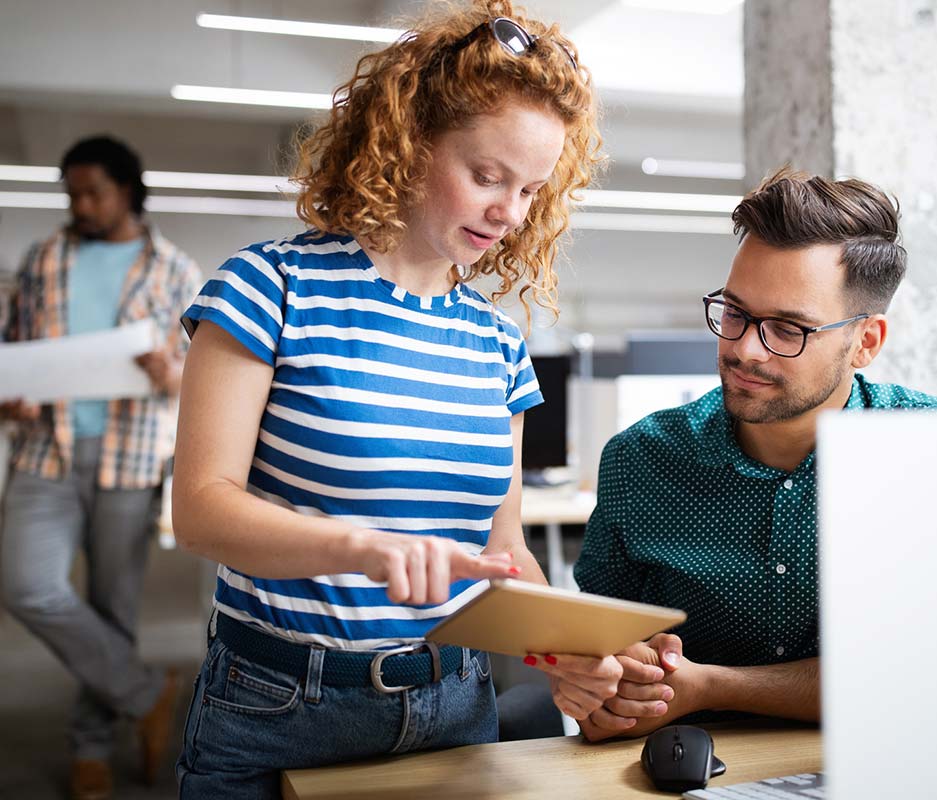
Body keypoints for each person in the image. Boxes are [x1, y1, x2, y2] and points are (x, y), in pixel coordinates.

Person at [170, 2, 620, 796]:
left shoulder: (497, 346)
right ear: (410, 144)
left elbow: (503, 555)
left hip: (455, 703)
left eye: (530, 190)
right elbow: (202, 510)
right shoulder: (270, 288)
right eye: (486, 176)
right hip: (283, 706)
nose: (508, 213)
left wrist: (566, 655)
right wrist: (364, 549)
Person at [573, 168, 937, 741]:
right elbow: (600, 670)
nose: (745, 349)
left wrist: (712, 686)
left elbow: (934, 673)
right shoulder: (641, 461)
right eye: (735, 313)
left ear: (865, 343)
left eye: (787, 329)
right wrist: (610, 689)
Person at [0, 135, 203, 800]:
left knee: (110, 606)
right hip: (44, 449)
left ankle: (90, 749)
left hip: (131, 455)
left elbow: (202, 379)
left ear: (127, 191)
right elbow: (12, 348)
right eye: (72, 194)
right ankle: (146, 695)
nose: (80, 205)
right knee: (26, 583)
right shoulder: (44, 259)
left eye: (93, 192)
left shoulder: (175, 270)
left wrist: (170, 372)